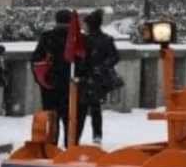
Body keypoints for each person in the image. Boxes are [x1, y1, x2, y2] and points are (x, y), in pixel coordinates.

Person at [77, 8, 120, 145]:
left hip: (86, 77)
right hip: (98, 78)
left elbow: (78, 58)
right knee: (95, 109)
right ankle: (97, 135)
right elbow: (114, 57)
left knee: (82, 109)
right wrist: (103, 66)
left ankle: (76, 134)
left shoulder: (84, 40)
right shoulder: (106, 39)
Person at [31, 10, 74, 145]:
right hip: (70, 83)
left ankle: (51, 143)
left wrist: (41, 79)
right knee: (70, 117)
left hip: (50, 83)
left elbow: (36, 59)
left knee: (51, 116)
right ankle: (70, 144)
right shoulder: (75, 39)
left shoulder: (47, 37)